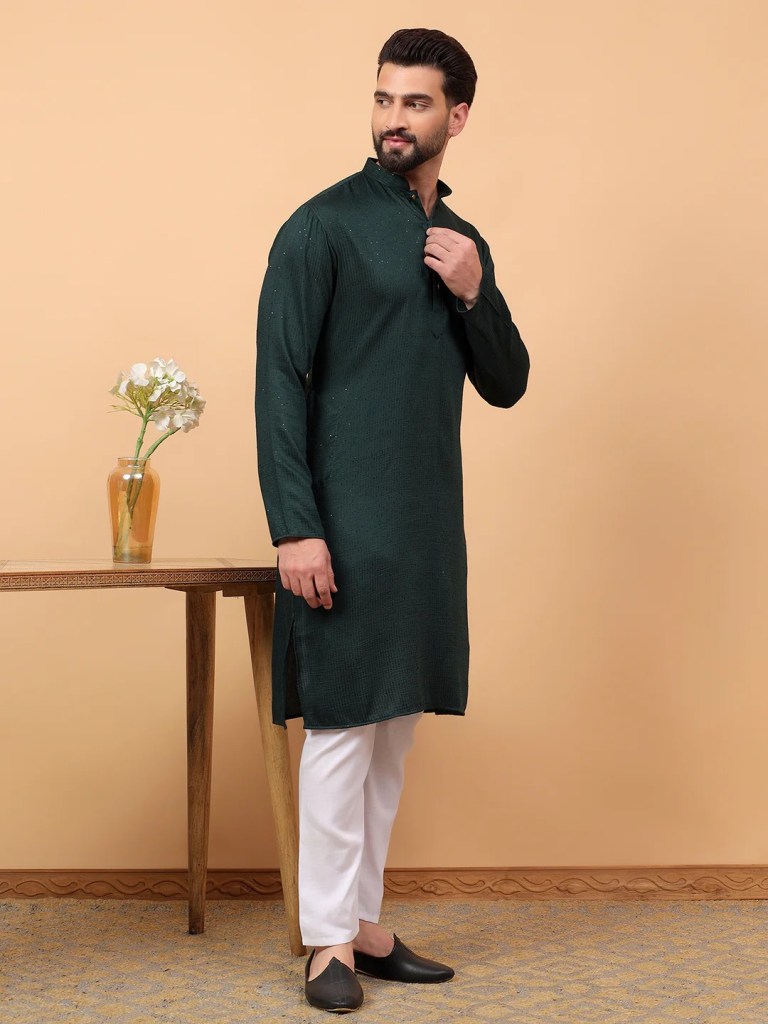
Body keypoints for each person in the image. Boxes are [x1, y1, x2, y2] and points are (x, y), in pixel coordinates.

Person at [255, 27, 530, 1013]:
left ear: (458, 116)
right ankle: (327, 942)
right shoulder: (319, 228)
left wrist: (474, 292)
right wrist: (296, 527)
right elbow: (279, 383)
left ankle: (364, 923)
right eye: (384, 99)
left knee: (393, 733)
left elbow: (508, 381)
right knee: (341, 726)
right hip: (340, 520)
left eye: (415, 103)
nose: (394, 120)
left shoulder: (461, 243)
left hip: (425, 525)